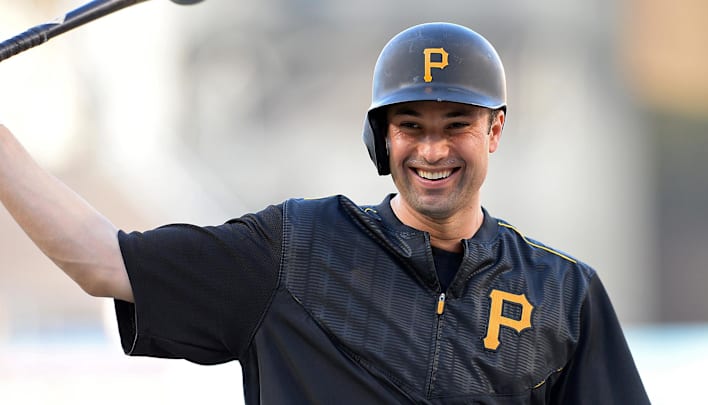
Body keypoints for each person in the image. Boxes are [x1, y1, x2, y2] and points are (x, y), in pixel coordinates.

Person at [0, 22, 649, 404]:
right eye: (409, 125)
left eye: (456, 124)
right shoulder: (289, 251)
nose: (432, 149)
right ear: (379, 137)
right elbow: (101, 258)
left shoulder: (564, 292)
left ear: (496, 131)